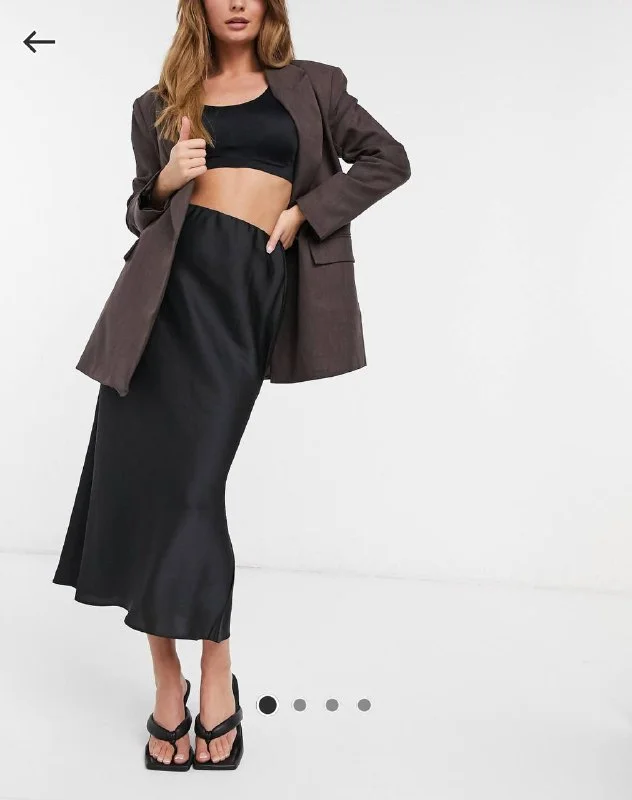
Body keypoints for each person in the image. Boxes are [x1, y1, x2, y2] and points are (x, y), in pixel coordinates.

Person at [52, 0, 411, 773]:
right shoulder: (157, 104)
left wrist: (307, 212)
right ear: (200, 7)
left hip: (245, 295)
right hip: (158, 306)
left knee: (193, 492)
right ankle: (170, 681)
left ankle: (217, 666)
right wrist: (163, 182)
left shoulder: (315, 86)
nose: (239, 2)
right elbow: (141, 214)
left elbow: (389, 159)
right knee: (149, 491)